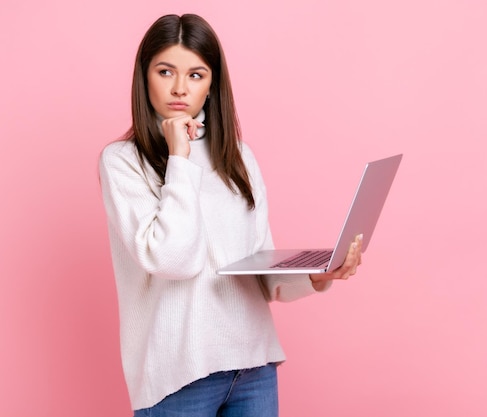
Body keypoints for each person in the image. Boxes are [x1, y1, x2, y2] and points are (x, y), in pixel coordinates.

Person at [98, 13, 363, 417]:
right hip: (178, 377)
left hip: (253, 367)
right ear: (144, 75)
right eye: (165, 71)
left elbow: (260, 271)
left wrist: (316, 274)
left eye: (196, 74)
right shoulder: (123, 162)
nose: (179, 88)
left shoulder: (238, 156)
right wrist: (180, 158)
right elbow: (174, 260)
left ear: (212, 84)